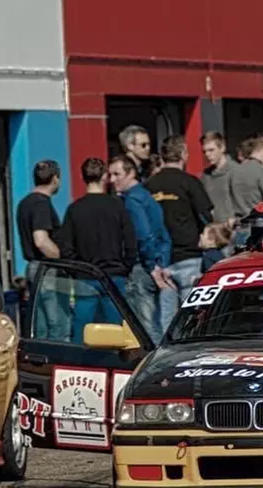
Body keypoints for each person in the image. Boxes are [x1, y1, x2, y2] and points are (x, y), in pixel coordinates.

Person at [56, 158, 137, 343]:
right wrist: (126, 266)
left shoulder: (74, 210)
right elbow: (131, 242)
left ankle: (79, 367)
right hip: (114, 276)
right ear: (105, 177)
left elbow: (66, 248)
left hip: (85, 278)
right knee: (115, 334)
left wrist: (76, 271)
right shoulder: (117, 206)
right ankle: (112, 368)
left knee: (82, 333)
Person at [144, 135, 215, 332]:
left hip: (161, 262)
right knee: (192, 318)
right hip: (189, 256)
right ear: (183, 154)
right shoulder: (190, 182)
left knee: (166, 321)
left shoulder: (149, 185)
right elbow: (206, 217)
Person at [109, 155, 172, 342]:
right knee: (153, 320)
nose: (112, 180)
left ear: (130, 173)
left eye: (117, 174)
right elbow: (164, 235)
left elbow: (144, 235)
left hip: (141, 268)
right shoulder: (146, 196)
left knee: (144, 328)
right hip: (152, 264)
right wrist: (162, 263)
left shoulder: (133, 200)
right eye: (110, 174)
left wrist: (152, 266)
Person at [15, 160, 66, 340]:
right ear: (55, 178)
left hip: (33, 268)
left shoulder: (25, 203)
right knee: (57, 324)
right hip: (46, 269)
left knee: (39, 326)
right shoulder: (41, 204)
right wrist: (63, 259)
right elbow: (41, 240)